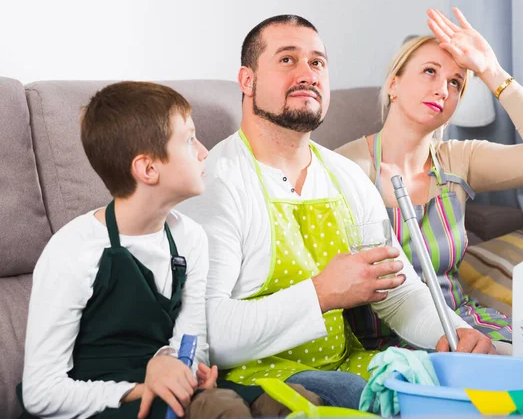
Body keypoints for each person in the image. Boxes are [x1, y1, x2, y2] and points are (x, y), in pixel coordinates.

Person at [186, 14, 495, 411]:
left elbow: (398, 294)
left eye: (317, 63)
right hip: (265, 383)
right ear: (247, 81)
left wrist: (456, 333)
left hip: (346, 367)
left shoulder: (346, 176)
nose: (308, 74)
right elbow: (211, 333)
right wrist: (322, 293)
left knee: (458, 390)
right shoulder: (216, 182)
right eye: (287, 60)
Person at [18, 81, 321, 418]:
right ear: (148, 169)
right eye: (190, 139)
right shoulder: (73, 251)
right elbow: (40, 392)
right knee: (222, 409)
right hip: (103, 400)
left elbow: (193, 346)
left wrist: (183, 369)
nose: (205, 151)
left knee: (294, 399)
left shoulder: (190, 237)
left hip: (169, 390)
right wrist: (142, 389)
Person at [336, 8, 523, 353]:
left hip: (465, 329)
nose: (443, 90)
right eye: (429, 72)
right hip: (381, 342)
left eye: (456, 83)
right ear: (393, 84)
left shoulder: (458, 159)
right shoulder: (346, 167)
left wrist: (491, 71)